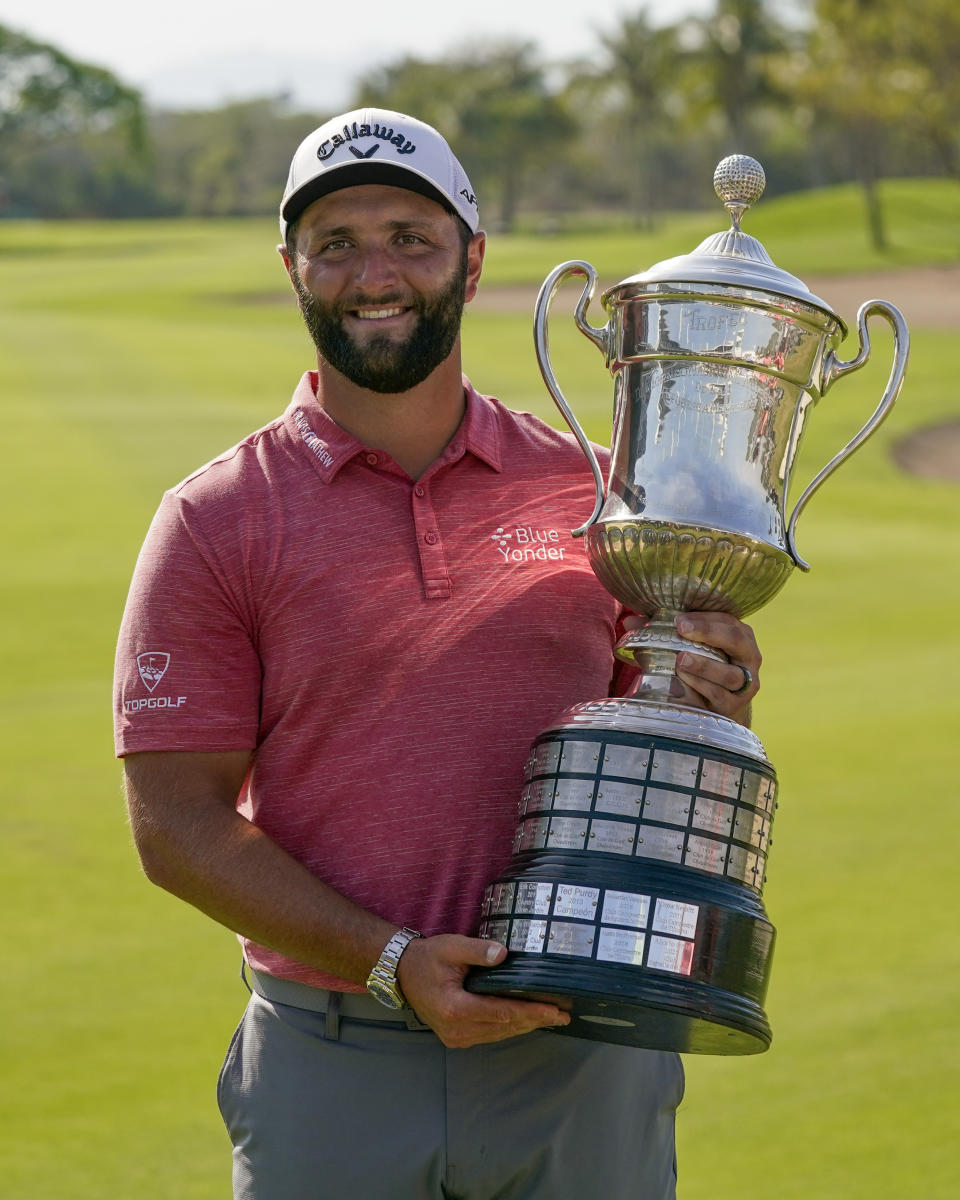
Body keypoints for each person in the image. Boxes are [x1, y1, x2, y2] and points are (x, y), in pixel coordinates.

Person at [114, 107, 762, 1200]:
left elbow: (663, 753)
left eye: (412, 236)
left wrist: (712, 689)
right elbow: (175, 827)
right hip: (336, 1056)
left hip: (582, 1046)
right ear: (292, 269)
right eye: (337, 243)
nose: (376, 272)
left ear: (472, 254)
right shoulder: (216, 519)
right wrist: (386, 959)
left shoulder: (608, 491)